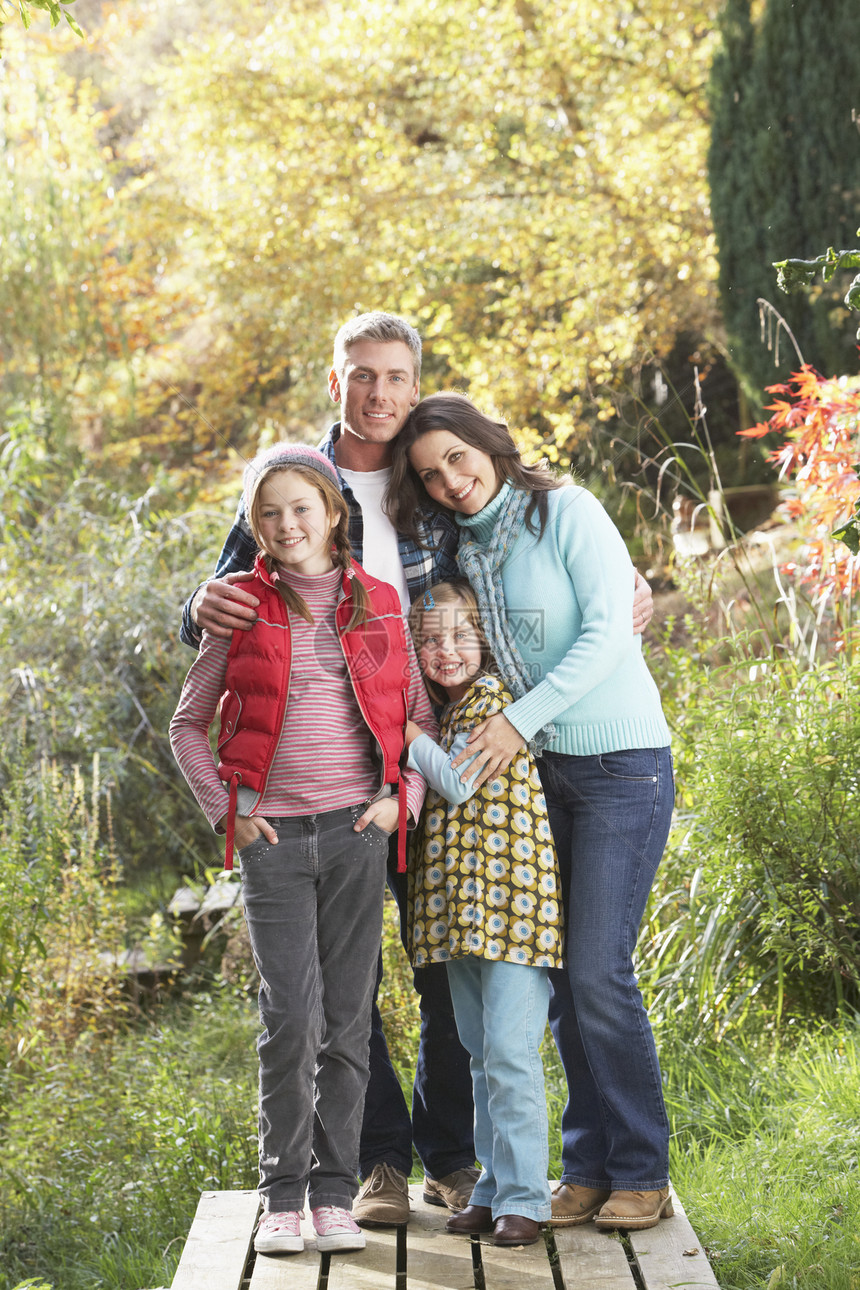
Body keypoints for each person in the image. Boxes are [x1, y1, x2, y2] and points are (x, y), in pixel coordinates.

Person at [178, 311, 655, 1227]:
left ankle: (454, 1159)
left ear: (415, 380)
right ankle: (379, 1161)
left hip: (433, 762)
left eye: (397, 376)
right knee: (349, 985)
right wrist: (199, 602)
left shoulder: (428, 481)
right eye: (364, 376)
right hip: (336, 781)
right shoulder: (295, 486)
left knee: (447, 971)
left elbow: (513, 561)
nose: (381, 393)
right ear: (337, 382)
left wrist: (621, 581)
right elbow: (222, 615)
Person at [387, 392, 676, 1233]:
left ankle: (642, 1168)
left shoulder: (567, 511)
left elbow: (607, 631)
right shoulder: (464, 549)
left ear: (489, 443)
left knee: (597, 970)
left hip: (619, 762)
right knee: (556, 978)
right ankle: (586, 1166)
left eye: (456, 457)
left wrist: (520, 719)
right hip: (537, 779)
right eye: (430, 474)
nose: (448, 480)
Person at [169, 443, 434, 1255]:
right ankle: (280, 1194)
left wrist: (403, 801)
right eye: (270, 513)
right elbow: (188, 726)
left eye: (301, 508)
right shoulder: (242, 610)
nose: (288, 524)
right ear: (255, 527)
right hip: (275, 842)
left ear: (333, 513)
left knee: (349, 1021)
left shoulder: (380, 604)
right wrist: (230, 813)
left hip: (357, 834)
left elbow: (416, 717)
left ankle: (333, 1194)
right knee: (291, 1019)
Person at [403, 579, 564, 1247]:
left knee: (510, 1054)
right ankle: (494, 1186)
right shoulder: (450, 713)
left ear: (486, 641)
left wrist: (406, 732)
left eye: (460, 637)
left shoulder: (493, 705)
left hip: (509, 911)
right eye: (431, 641)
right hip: (460, 913)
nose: (446, 651)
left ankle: (527, 1195)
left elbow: (461, 780)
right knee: (478, 1054)